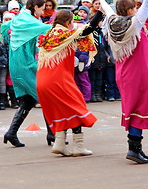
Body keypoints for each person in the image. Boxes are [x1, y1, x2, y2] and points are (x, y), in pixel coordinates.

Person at [99, 0, 148, 164]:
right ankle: (134, 149)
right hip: (139, 73)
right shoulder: (134, 25)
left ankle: (135, 148)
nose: (138, 10)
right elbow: (147, 2)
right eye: (134, 8)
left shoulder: (112, 22)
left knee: (132, 109)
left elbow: (107, 10)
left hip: (124, 73)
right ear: (129, 11)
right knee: (140, 110)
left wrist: (102, 0)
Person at [37, 9, 101, 156]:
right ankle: (79, 146)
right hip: (58, 79)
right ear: (68, 22)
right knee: (76, 107)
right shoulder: (64, 34)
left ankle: (59, 143)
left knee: (62, 110)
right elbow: (88, 29)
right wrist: (100, 12)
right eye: (72, 21)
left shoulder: (49, 34)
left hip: (43, 80)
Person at [3, 0, 52, 147]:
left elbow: (5, 27)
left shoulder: (21, 18)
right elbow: (47, 29)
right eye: (42, 9)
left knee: (28, 100)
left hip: (20, 65)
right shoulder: (27, 20)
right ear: (35, 7)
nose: (43, 12)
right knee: (45, 97)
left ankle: (11, 133)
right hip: (24, 65)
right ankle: (52, 133)